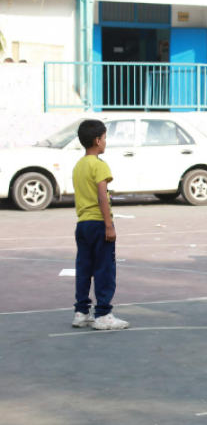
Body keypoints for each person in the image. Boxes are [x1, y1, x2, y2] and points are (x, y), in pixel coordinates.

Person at [71, 120, 129, 330]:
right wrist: (109, 225)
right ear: (97, 140)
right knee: (105, 269)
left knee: (84, 268)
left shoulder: (79, 166)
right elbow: (102, 197)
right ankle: (103, 314)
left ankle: (81, 312)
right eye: (104, 138)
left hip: (82, 224)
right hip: (98, 223)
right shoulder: (99, 165)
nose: (105, 142)